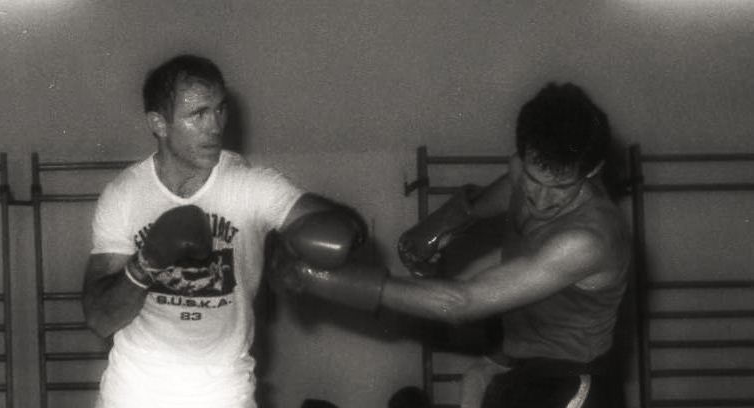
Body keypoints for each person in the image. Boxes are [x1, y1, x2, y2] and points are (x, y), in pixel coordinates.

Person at [270, 82, 630, 408]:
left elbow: (462, 303)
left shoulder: (586, 240)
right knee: (474, 379)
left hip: (572, 382)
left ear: (592, 170)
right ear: (522, 158)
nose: (542, 198)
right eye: (535, 179)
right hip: (522, 363)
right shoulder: (521, 174)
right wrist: (439, 228)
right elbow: (498, 196)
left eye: (562, 187)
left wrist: (324, 278)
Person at [82, 54, 368, 408]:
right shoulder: (125, 195)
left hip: (225, 394)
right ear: (159, 123)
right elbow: (100, 318)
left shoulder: (251, 187)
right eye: (198, 114)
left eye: (220, 109)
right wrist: (147, 262)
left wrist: (287, 248)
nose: (215, 125)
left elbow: (347, 226)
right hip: (132, 394)